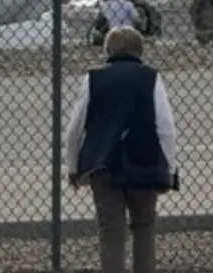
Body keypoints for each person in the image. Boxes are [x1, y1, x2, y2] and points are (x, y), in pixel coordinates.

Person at [66, 26, 178, 273]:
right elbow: (166, 126)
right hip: (144, 160)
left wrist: (73, 166)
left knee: (110, 229)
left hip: (103, 163)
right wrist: (169, 167)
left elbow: (75, 127)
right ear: (141, 51)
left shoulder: (93, 78)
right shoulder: (151, 77)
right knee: (144, 225)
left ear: (107, 50)